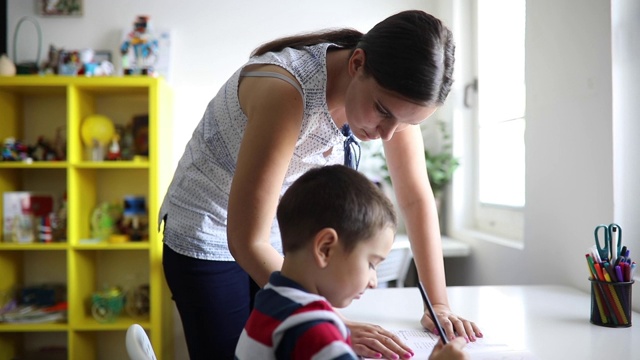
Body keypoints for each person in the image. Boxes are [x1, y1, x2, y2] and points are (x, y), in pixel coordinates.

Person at [159, 9, 482, 360]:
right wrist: (329, 323)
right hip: (207, 230)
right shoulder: (286, 92)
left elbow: (417, 201)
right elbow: (246, 240)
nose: (387, 135)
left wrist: (438, 305)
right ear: (357, 63)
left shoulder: (396, 102)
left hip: (275, 237)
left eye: (405, 124)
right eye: (383, 112)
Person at [234, 165, 469, 360]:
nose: (373, 282)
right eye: (371, 264)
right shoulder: (314, 333)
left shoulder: (271, 300)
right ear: (325, 248)